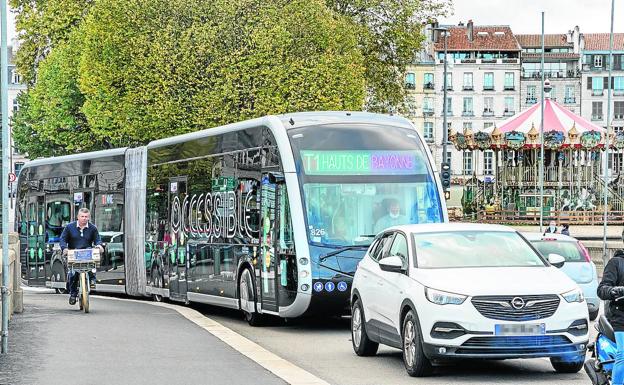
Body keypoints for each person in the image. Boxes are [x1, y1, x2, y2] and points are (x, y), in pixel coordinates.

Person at [60, 208, 104, 305]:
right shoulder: (69, 227)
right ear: (78, 217)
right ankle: (73, 294)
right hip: (74, 253)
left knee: (92, 266)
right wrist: (64, 249)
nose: (84, 219)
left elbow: (97, 240)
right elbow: (63, 239)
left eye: (86, 217)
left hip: (87, 252)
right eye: (82, 216)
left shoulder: (93, 228)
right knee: (73, 273)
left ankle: (92, 280)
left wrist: (99, 245)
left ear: (89, 217)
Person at [598, 249, 624, 385]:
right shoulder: (616, 263)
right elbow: (602, 289)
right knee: (623, 354)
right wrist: (613, 290)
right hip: (621, 317)